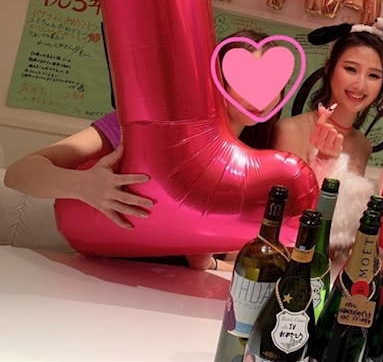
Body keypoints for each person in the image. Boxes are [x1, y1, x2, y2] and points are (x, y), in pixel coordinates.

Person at [3, 28, 285, 271]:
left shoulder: (261, 159)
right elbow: (18, 173)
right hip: (100, 276)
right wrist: (83, 186)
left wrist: (205, 259)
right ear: (215, 80)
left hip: (181, 295)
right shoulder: (146, 128)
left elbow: (237, 261)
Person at [274, 18, 383, 262]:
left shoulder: (363, 146)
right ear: (329, 68)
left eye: (373, 75)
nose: (360, 84)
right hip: (288, 265)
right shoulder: (291, 131)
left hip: (334, 270)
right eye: (351, 69)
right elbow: (282, 218)